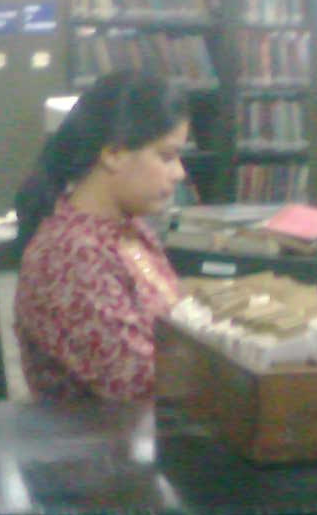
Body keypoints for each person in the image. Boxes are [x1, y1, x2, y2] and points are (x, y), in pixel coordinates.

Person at [12, 70, 189, 402]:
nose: (180, 173)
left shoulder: (131, 230)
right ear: (113, 154)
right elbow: (139, 381)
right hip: (102, 448)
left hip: (154, 436)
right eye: (166, 156)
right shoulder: (69, 256)